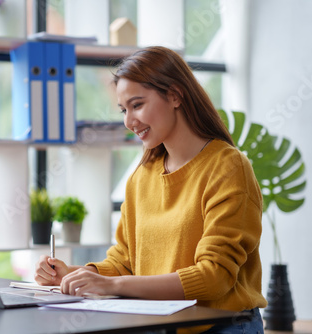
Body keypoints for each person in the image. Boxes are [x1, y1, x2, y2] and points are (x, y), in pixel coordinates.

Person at [35, 46, 267, 333]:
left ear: (175, 95)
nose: (129, 122)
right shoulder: (141, 177)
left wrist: (111, 284)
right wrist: (79, 274)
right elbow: (124, 260)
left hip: (221, 327)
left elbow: (214, 277)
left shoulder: (227, 168)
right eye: (124, 110)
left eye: (137, 105)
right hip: (160, 325)